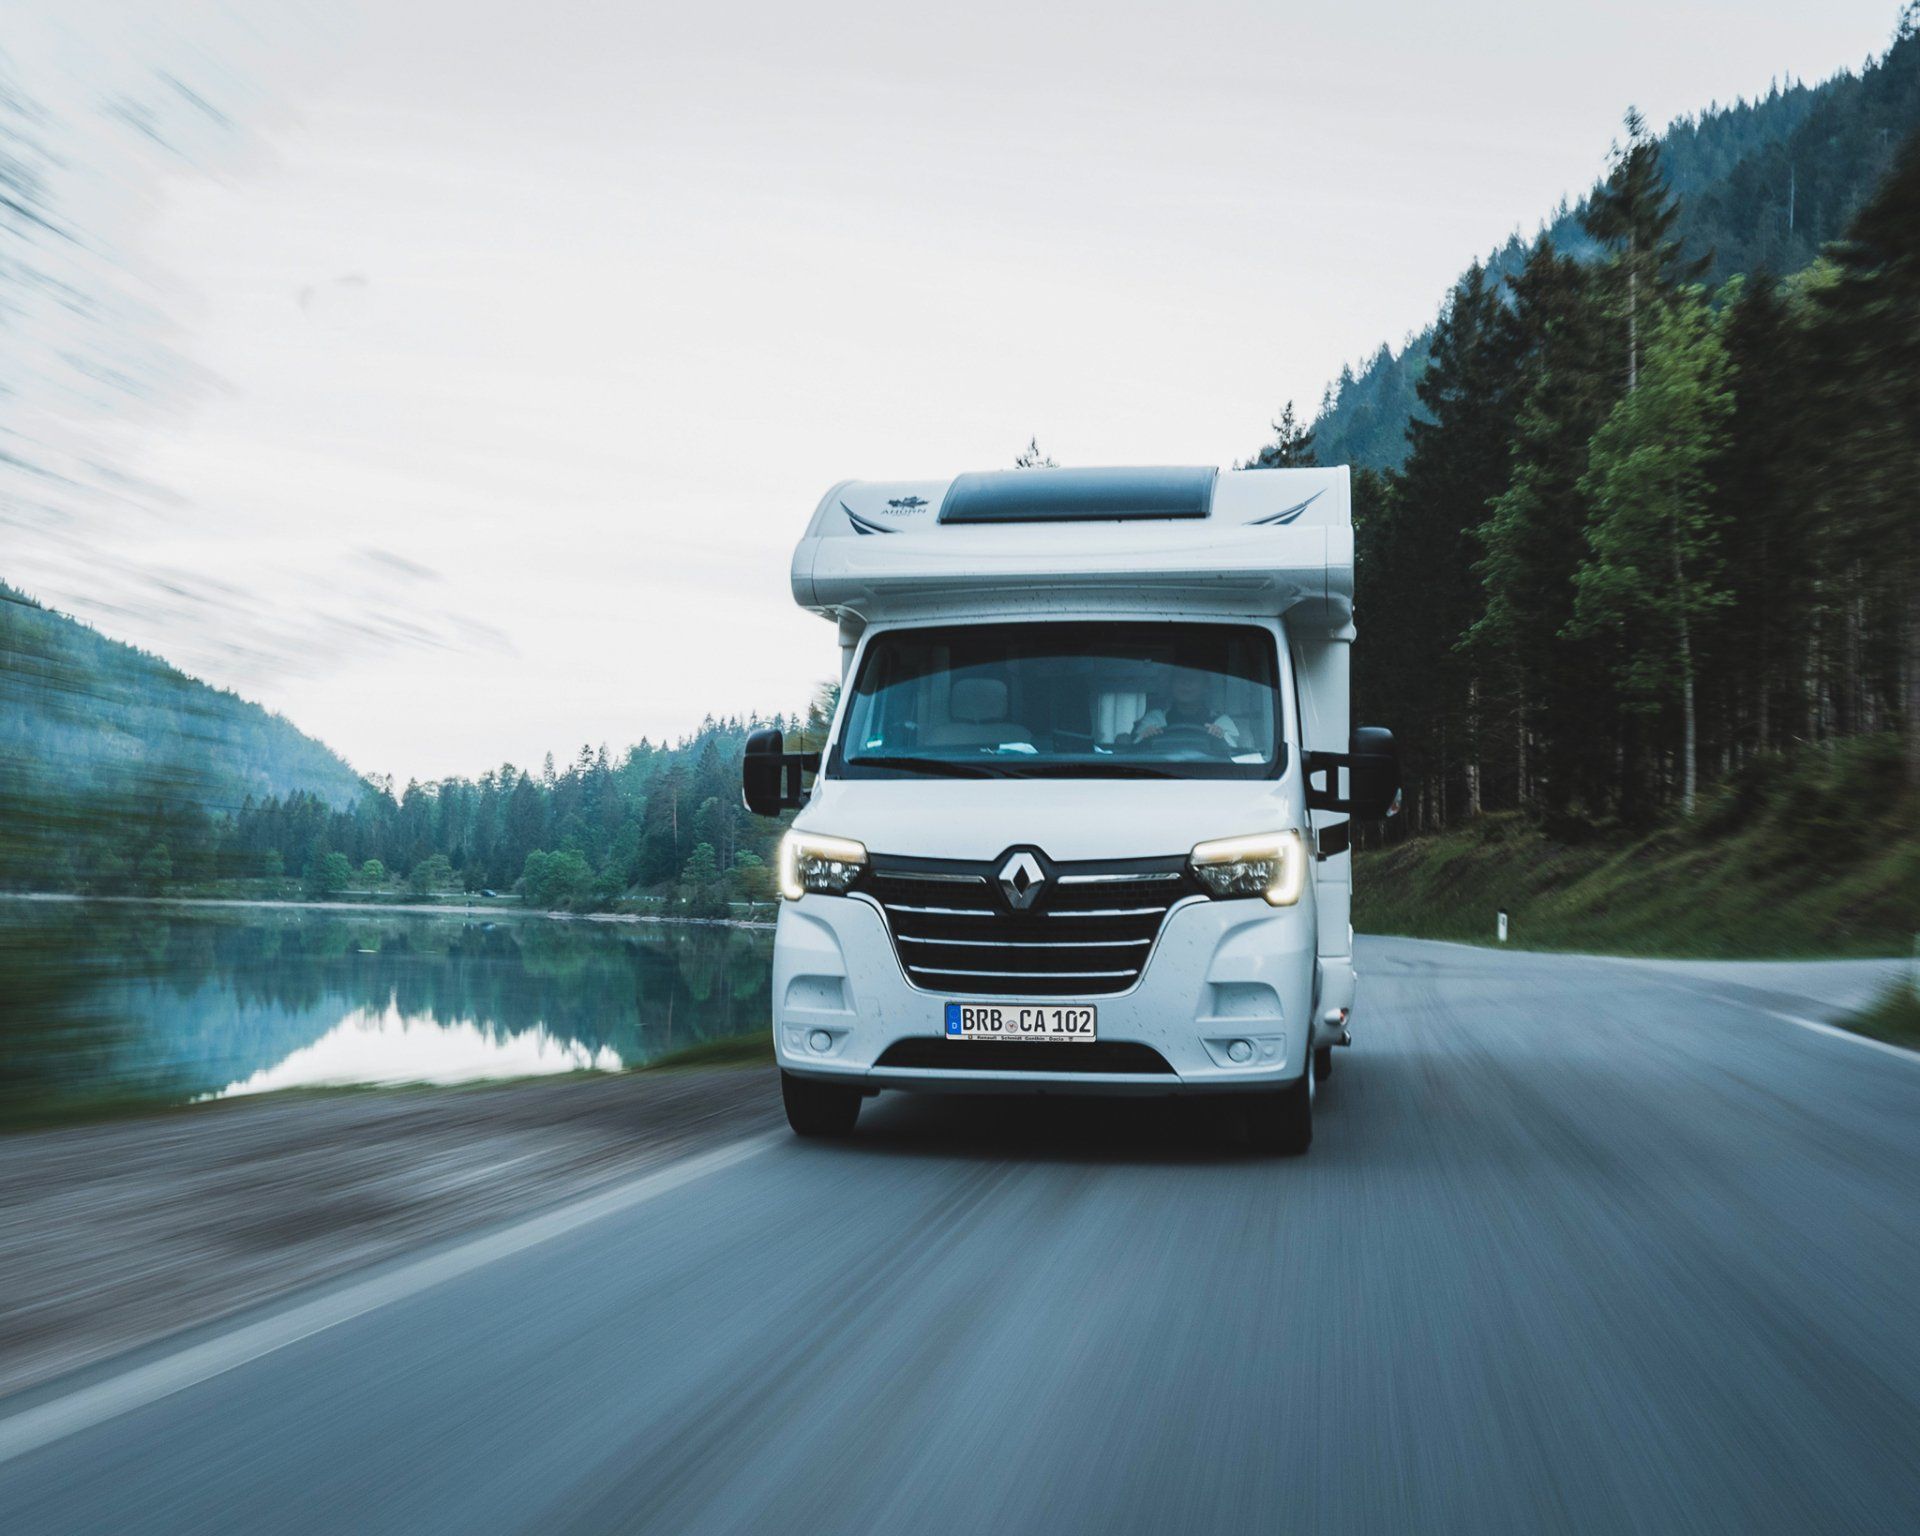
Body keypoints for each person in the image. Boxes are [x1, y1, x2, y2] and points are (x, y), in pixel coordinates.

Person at [1131, 669, 1239, 749]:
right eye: (1180, 677)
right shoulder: (1154, 719)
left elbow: (1234, 755)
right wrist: (1146, 737)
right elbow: (1136, 751)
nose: (1186, 682)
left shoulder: (1222, 722)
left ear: (1205, 686)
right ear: (1172, 684)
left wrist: (1220, 736)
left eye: (1193, 678)